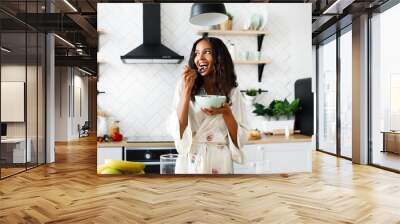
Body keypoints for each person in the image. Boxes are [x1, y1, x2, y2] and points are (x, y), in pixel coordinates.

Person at [168, 37, 248, 174]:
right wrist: (187, 88)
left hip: (220, 162)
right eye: (197, 53)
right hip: (192, 161)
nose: (200, 58)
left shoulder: (232, 91)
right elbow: (179, 130)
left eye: (207, 52)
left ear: (219, 57)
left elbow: (238, 140)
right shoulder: (184, 85)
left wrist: (227, 112)